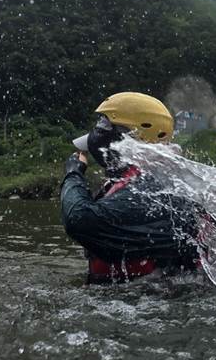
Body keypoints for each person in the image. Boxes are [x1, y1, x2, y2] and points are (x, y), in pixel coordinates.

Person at [60, 92, 201, 283]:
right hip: (143, 298)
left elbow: (79, 220)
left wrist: (73, 173)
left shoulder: (152, 186)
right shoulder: (155, 178)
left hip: (154, 303)